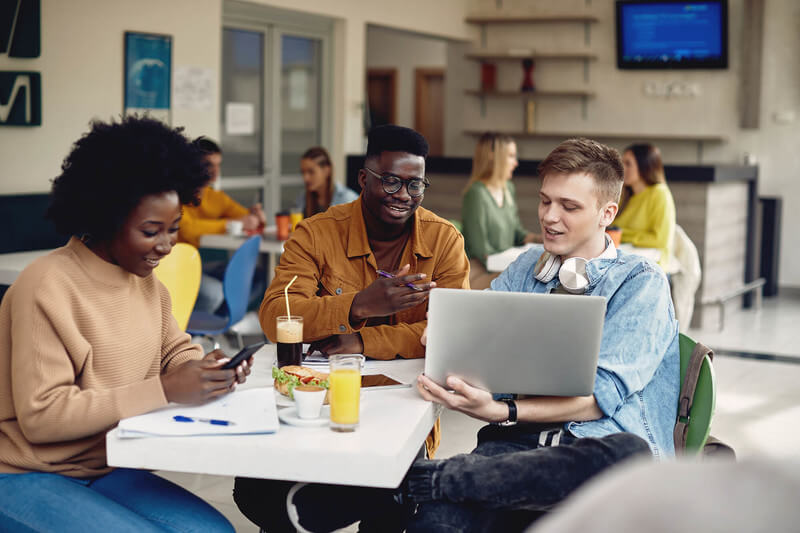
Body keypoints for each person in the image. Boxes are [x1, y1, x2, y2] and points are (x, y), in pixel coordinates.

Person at [254, 138, 680, 533]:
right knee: (436, 522)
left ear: (607, 213)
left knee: (630, 454)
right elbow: (473, 340)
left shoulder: (640, 282)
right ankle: (429, 483)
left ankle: (412, 478)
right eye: (546, 201)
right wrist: (445, 344)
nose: (550, 217)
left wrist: (502, 412)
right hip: (508, 454)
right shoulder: (527, 267)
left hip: (593, 451)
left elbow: (597, 401)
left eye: (569, 207)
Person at [0, 116, 253, 533]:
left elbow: (174, 350)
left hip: (106, 467)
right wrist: (165, 390)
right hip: (26, 474)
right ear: (105, 218)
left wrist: (209, 369)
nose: (167, 246)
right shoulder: (46, 286)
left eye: (173, 230)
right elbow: (42, 417)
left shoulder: (144, 283)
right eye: (151, 231)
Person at [234, 125, 470, 532]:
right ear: (364, 179)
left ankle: (381, 492)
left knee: (388, 496)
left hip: (402, 407)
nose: (403, 195)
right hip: (315, 405)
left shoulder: (444, 241)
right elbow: (276, 314)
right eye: (391, 180)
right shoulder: (317, 233)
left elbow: (453, 334)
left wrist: (359, 338)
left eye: (416, 185)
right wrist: (360, 304)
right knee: (254, 489)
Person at [179, 137, 267, 313]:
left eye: (218, 164)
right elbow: (188, 229)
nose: (215, 171)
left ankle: (221, 320)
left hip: (202, 264)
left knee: (261, 277)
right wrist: (231, 224)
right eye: (209, 164)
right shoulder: (180, 194)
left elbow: (245, 217)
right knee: (215, 293)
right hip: (179, 266)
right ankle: (199, 330)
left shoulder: (214, 196)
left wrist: (256, 216)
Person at [462, 132, 539, 289]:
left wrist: (541, 239)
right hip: (480, 271)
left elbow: (518, 234)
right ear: (493, 156)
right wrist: (513, 266)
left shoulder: (508, 188)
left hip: (502, 267)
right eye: (511, 156)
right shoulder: (476, 193)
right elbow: (481, 251)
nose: (516, 163)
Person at [613, 143, 676, 269]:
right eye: (622, 163)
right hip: (625, 263)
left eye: (628, 163)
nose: (622, 168)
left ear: (644, 167)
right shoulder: (625, 195)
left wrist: (621, 235)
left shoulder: (659, 193)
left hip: (652, 269)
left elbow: (660, 239)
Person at [295, 146, 359, 218]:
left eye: (311, 172)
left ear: (326, 171)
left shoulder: (348, 199)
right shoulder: (302, 199)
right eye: (303, 172)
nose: (305, 178)